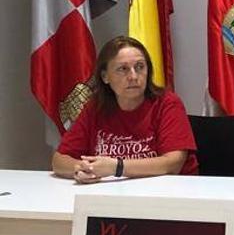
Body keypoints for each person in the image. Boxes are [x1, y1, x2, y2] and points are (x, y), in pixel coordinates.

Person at [52, 35, 197, 181]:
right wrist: (84, 168)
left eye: (140, 67)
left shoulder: (167, 103)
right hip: (112, 191)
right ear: (105, 77)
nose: (133, 76)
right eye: (123, 69)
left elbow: (173, 163)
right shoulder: (96, 107)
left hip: (166, 191)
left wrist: (117, 167)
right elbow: (59, 161)